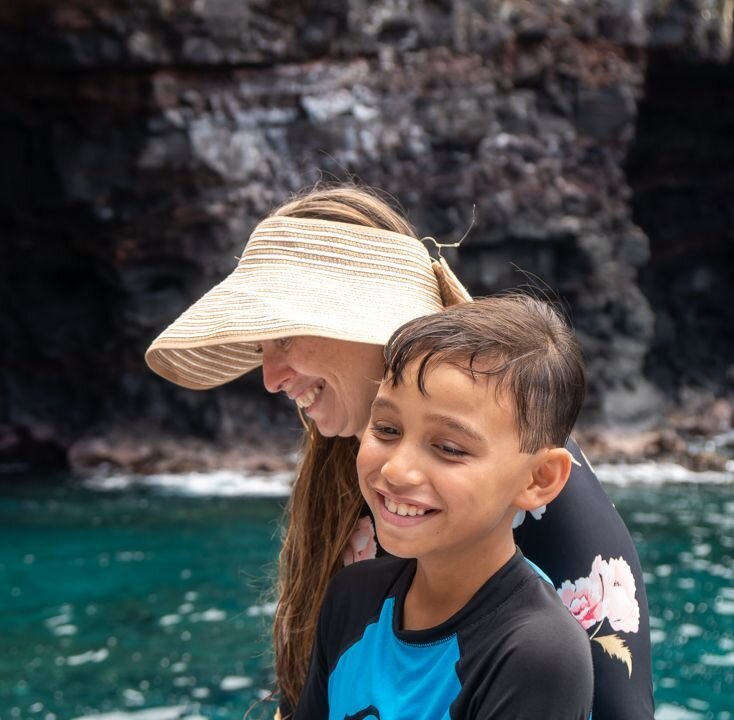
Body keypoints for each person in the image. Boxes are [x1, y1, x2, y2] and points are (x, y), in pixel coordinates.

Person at [145, 186, 654, 719]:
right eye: (261, 346)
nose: (270, 377)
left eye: (286, 336)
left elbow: (619, 705)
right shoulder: (350, 463)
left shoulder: (526, 468)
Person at [295, 294, 593, 718]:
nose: (398, 471)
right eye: (386, 428)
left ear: (538, 478)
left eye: (449, 448)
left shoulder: (535, 653)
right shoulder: (350, 596)